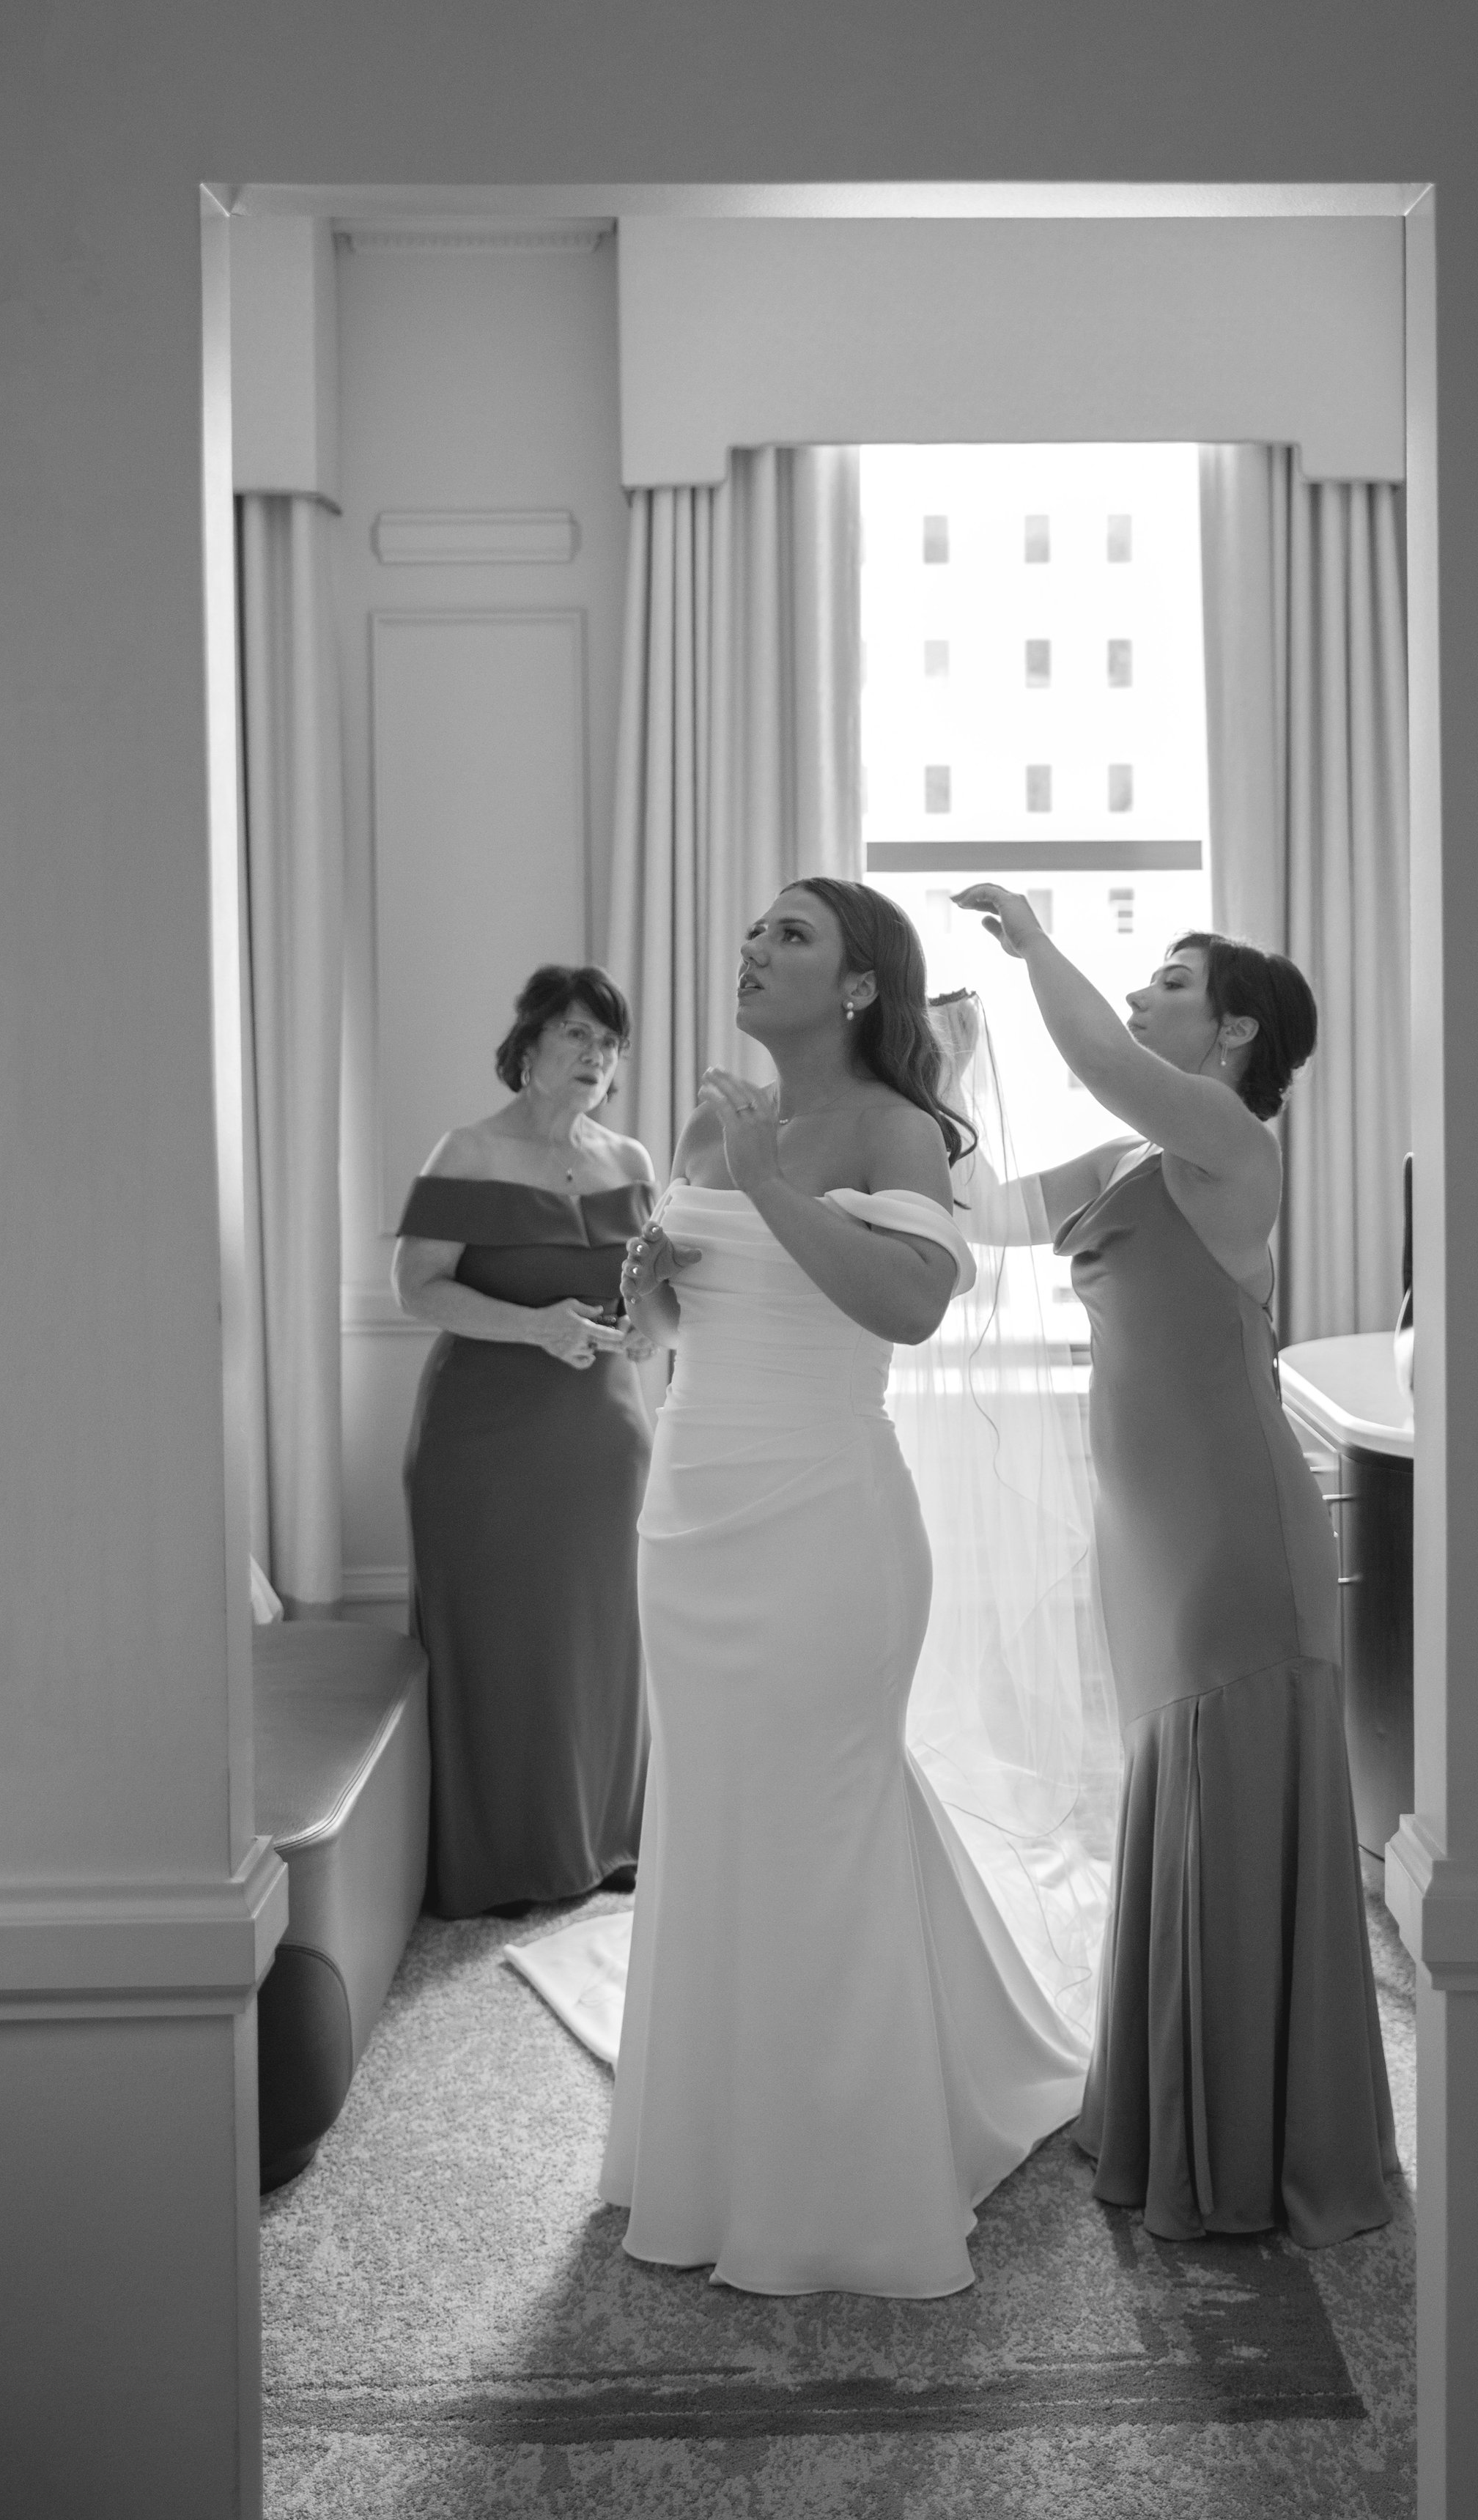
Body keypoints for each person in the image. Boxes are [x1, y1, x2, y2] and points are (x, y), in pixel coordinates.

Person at [599, 879, 1087, 2298]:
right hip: (688, 1515)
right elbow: (673, 1333)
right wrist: (648, 1293)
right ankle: (703, 2152)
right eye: (752, 931)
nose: (752, 950)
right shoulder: (711, 1119)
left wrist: (756, 1188)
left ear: (860, 985)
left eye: (789, 936)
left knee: (816, 1825)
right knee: (709, 1828)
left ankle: (837, 2177)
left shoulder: (894, 1131)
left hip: (822, 1523)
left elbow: (906, 1310)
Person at [950, 886, 1399, 2248]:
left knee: (1224, 1786)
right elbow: (978, 1213)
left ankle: (1248, 2147)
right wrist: (947, 1085)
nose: (1144, 997)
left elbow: (1100, 1055)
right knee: (1174, 1789)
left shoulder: (1230, 1135)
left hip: (1228, 1532)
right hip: (1150, 1535)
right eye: (1142, 979)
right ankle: (1183, 2113)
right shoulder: (1135, 1157)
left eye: (1171, 983)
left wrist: (1034, 941)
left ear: (1234, 1030)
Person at [393, 964, 656, 1918]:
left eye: (610, 1041)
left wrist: (641, 1328)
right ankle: (507, 1858)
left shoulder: (631, 1158)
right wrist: (533, 1324)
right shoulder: (464, 1150)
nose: (596, 1055)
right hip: (487, 1443)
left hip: (604, 1440)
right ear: (530, 1045)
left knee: (603, 1637)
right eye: (578, 1034)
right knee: (504, 1643)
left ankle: (606, 1839)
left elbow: (650, 1294)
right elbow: (416, 1288)